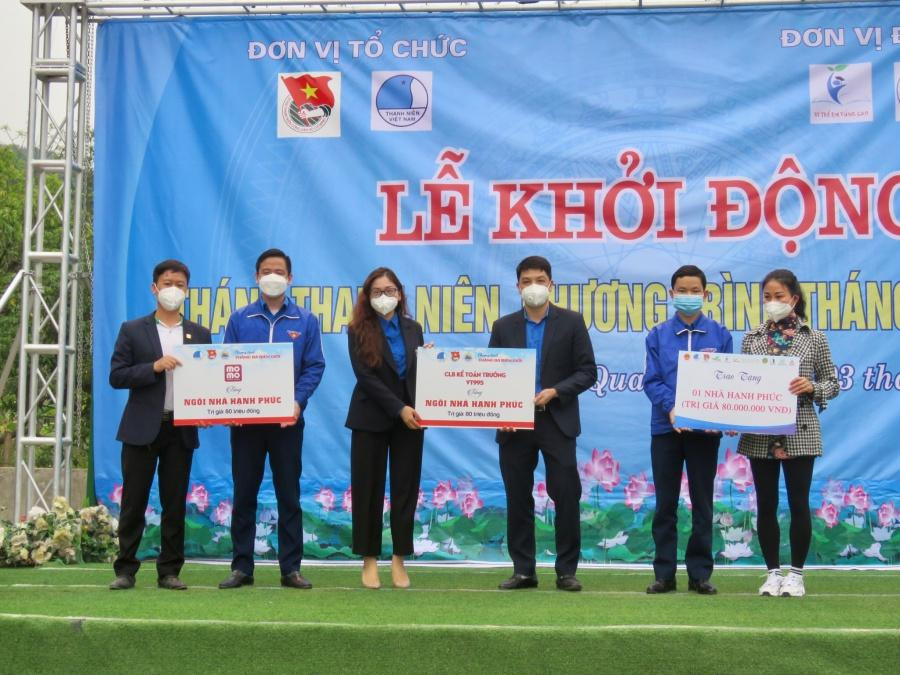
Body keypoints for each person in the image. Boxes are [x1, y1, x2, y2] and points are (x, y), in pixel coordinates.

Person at [218, 248, 326, 590]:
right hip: (246, 425)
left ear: (290, 278)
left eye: (279, 271)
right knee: (244, 493)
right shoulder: (240, 319)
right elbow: (225, 366)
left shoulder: (306, 321)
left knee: (288, 494)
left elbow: (314, 366)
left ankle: (291, 568)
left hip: (287, 423)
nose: (272, 276)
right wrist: (231, 407)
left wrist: (297, 402)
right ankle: (241, 567)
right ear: (256, 276)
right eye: (266, 271)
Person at [488, 256, 596, 592]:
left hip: (556, 419)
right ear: (517, 286)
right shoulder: (503, 326)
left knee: (566, 495)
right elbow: (491, 375)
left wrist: (556, 391)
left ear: (551, 284)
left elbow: (587, 372)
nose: (533, 286)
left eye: (540, 280)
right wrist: (502, 413)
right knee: (518, 497)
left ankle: (566, 571)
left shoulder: (572, 322)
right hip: (514, 424)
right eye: (527, 281)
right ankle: (524, 570)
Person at [108, 259, 211, 591]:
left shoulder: (199, 333)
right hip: (141, 428)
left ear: (187, 291)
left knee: (174, 502)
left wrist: (208, 410)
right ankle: (125, 569)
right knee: (133, 501)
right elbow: (117, 376)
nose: (173, 290)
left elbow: (208, 382)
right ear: (154, 288)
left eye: (180, 285)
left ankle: (169, 570)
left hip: (180, 430)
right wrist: (152, 367)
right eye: (167, 283)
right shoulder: (132, 329)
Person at [738, 268, 838, 598]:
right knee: (765, 504)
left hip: (800, 429)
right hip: (761, 433)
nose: (772, 302)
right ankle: (772, 573)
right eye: (767, 297)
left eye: (778, 296)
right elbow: (742, 385)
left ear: (794, 299)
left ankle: (796, 574)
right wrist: (730, 413)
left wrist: (812, 387)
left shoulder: (815, 338)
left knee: (798, 503)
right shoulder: (751, 339)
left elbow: (832, 383)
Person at [643, 265, 733, 595]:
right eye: (682, 290)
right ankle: (664, 574)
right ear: (672, 294)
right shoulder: (657, 335)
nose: (689, 296)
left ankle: (700, 574)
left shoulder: (720, 335)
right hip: (666, 429)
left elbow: (728, 381)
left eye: (695, 291)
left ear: (706, 295)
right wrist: (672, 407)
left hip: (705, 434)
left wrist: (722, 416)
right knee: (665, 504)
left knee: (702, 503)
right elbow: (651, 381)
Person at [346, 267, 425, 589]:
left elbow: (415, 372)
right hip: (371, 418)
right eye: (377, 291)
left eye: (390, 290)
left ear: (400, 293)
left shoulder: (413, 328)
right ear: (367, 296)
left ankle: (399, 559)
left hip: (411, 420)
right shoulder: (357, 329)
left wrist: (432, 362)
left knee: (405, 490)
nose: (384, 296)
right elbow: (366, 377)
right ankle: (369, 560)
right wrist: (398, 408)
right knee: (368, 489)